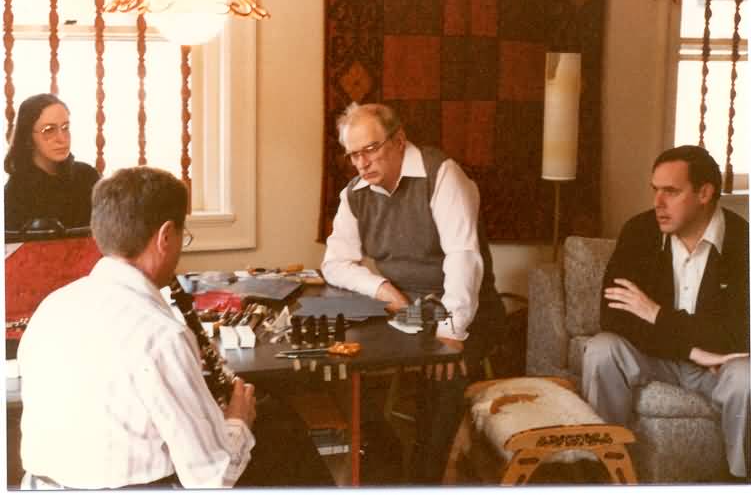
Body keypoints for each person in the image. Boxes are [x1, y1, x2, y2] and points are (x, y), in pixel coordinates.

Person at [17, 166, 332, 489]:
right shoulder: (162, 336)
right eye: (184, 236)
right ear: (166, 236)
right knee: (282, 435)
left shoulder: (51, 306)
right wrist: (239, 418)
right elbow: (212, 478)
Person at [321, 102, 504, 482]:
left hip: (467, 307)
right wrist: (382, 287)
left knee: (443, 375)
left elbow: (463, 260)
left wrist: (450, 335)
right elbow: (334, 263)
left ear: (399, 140)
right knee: (343, 359)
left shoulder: (442, 175)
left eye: (370, 149)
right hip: (407, 310)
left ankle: (427, 479)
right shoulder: (355, 194)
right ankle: (379, 463)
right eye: (353, 155)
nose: (361, 163)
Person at [582, 145, 750, 480]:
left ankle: (741, 480)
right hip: (659, 356)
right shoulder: (639, 232)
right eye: (655, 190)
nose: (658, 203)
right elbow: (613, 316)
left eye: (670, 192)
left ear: (705, 193)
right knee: (602, 349)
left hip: (718, 367)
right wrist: (689, 348)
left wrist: (656, 313)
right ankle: (604, 469)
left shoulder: (743, 242)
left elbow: (737, 334)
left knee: (749, 376)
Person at [4, 93, 100, 231]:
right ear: (28, 137)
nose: (61, 138)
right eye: (49, 130)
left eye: (65, 127)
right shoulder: (14, 194)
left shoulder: (88, 176)